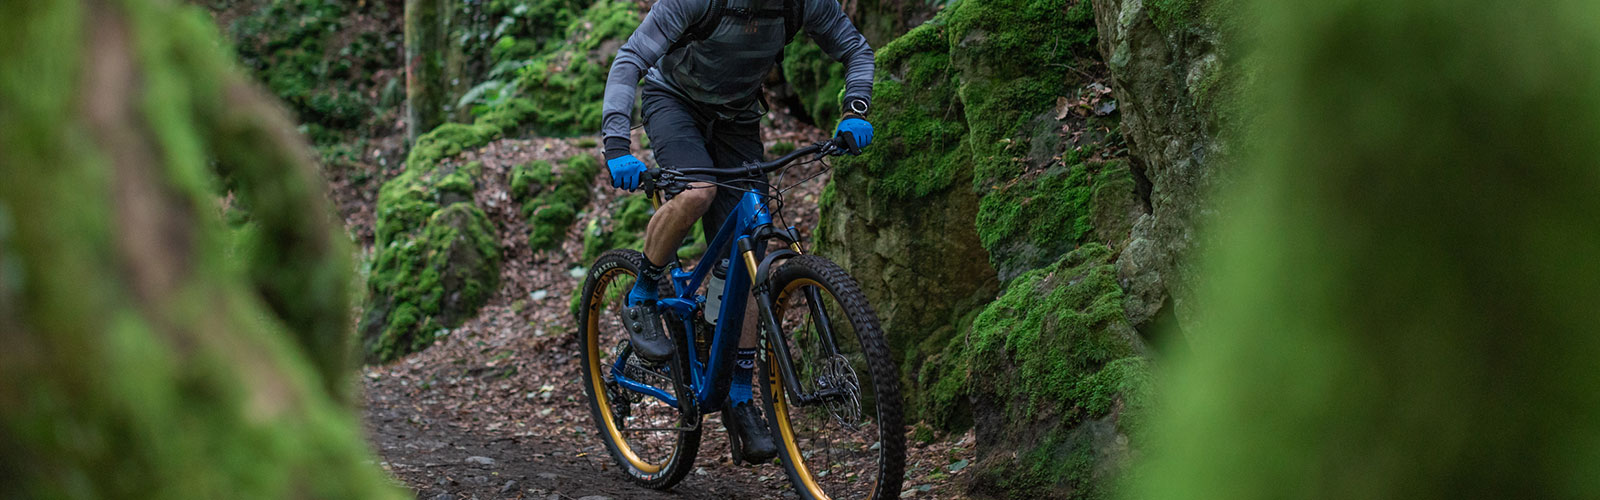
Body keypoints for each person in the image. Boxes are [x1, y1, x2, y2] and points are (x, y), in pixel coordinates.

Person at [598, 0, 876, 464]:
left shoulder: (802, 3)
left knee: (751, 249)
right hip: (674, 102)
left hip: (739, 115)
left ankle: (740, 398)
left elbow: (856, 50)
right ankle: (643, 292)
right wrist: (616, 144)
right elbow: (630, 59)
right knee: (697, 192)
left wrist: (856, 108)